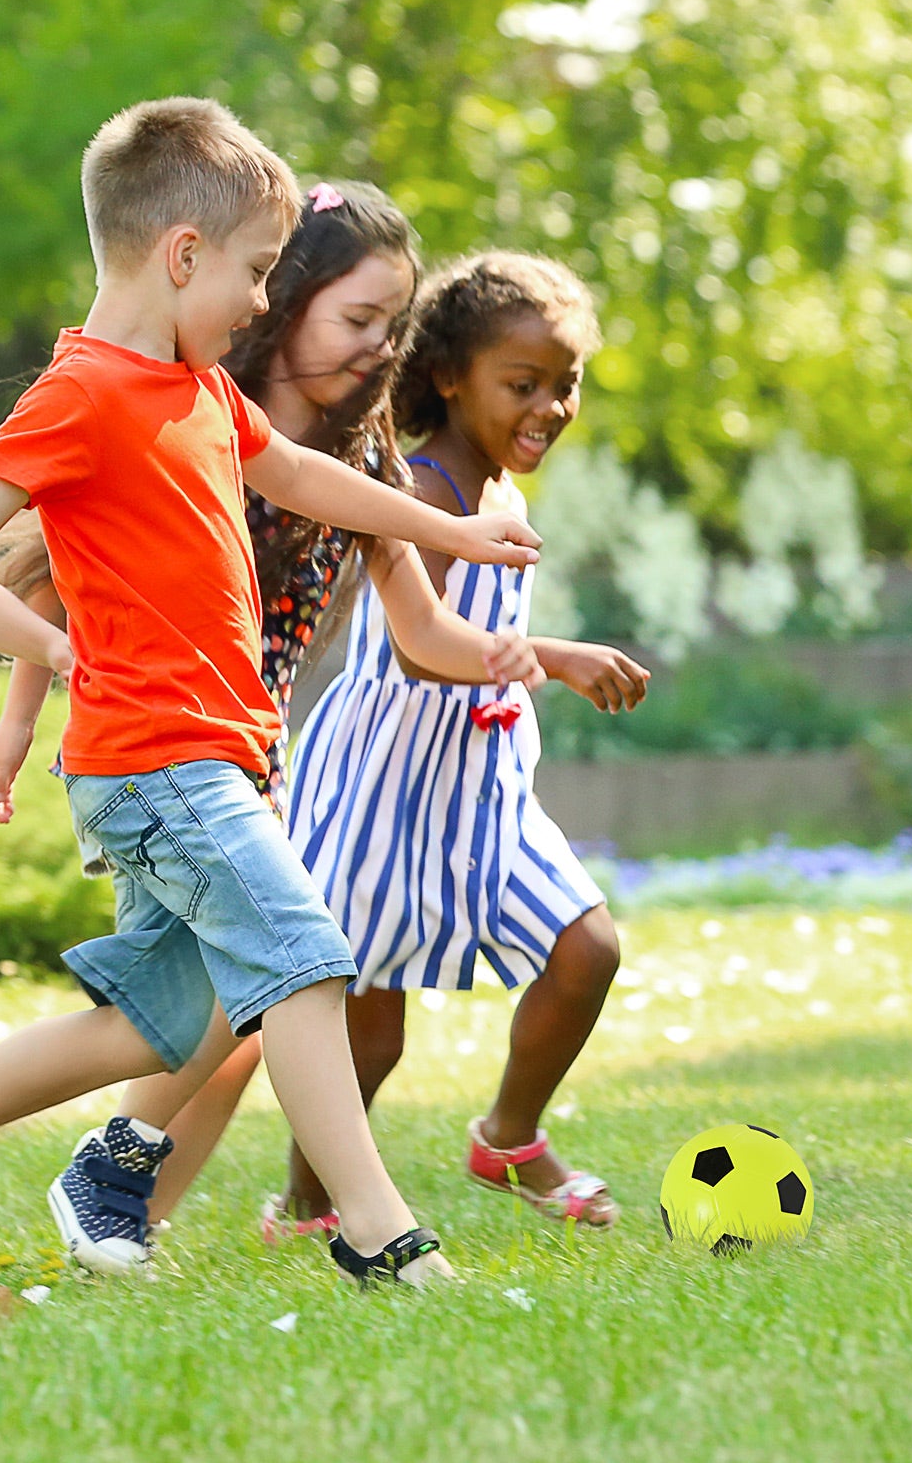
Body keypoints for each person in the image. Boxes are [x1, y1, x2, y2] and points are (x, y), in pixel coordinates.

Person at [0, 97, 543, 1288]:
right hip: (157, 764)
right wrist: (43, 651)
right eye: (255, 268)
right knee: (304, 957)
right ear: (182, 254)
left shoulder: (201, 392)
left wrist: (452, 531)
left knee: (154, 1028)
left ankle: (107, 1171)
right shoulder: (81, 396)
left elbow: (306, 479)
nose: (262, 299)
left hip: (210, 759)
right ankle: (384, 1237)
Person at [271, 251, 647, 1230]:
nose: (549, 406)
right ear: (449, 375)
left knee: (586, 947)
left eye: (564, 384)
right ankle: (308, 1201)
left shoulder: (501, 495)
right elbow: (420, 644)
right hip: (382, 787)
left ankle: (509, 1137)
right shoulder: (424, 490)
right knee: (370, 1032)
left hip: (480, 791)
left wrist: (535, 665)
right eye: (521, 384)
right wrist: (553, 654)